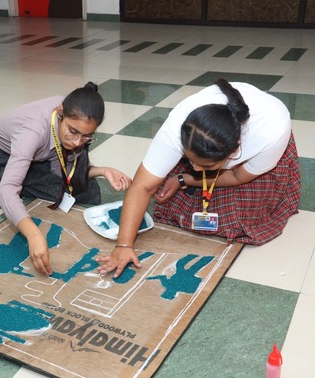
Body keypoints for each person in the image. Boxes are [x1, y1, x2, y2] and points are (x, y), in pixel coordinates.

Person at [97, 79, 301, 278]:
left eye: (206, 166)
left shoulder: (269, 135)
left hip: (253, 157)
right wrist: (124, 245)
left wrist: (186, 179)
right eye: (189, 160)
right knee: (172, 203)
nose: (195, 168)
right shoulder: (180, 126)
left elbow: (238, 176)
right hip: (209, 145)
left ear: (235, 151)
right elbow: (142, 187)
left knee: (239, 220)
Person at [0, 82, 132, 276]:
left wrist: (103, 171)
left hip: (34, 160)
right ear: (60, 112)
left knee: (85, 191)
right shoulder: (33, 131)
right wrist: (33, 235)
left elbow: (61, 169)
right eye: (73, 132)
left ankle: (19, 178)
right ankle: (16, 180)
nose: (77, 141)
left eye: (86, 136)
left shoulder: (72, 116)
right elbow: (7, 190)